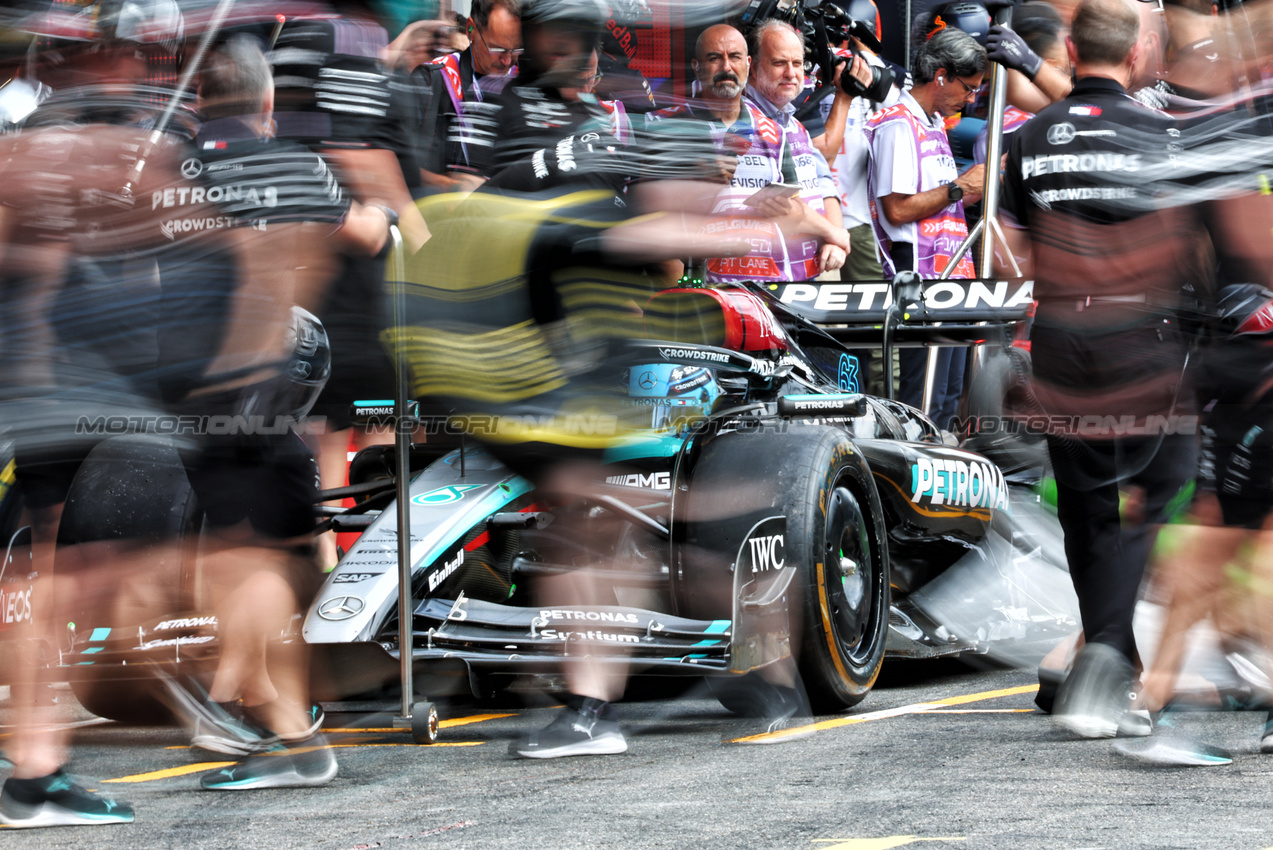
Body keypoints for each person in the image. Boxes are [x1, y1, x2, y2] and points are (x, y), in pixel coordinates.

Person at [150, 35, 391, 788]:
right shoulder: (289, 161)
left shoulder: (165, 170)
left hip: (186, 382)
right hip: (265, 382)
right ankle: (262, 714)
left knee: (243, 551)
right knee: (258, 553)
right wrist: (381, 208)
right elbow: (366, 233)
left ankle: (262, 711)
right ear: (264, 102)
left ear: (197, 101)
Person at [998, 0, 1205, 739]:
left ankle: (1107, 661)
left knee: (1087, 508)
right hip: (1141, 333)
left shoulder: (1026, 137)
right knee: (1164, 486)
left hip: (1058, 333)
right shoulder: (1163, 135)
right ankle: (1109, 659)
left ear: (1069, 49)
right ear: (1138, 51)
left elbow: (1007, 249)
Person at [864, 24, 986, 428]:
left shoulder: (932, 122)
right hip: (920, 281)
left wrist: (977, 187)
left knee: (949, 394)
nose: (971, 99)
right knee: (924, 401)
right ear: (940, 76)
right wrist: (958, 188)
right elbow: (896, 210)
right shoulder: (899, 123)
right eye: (968, 88)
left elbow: (938, 203)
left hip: (950, 276)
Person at [690, 19, 849, 284]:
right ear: (752, 68)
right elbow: (783, 205)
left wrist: (835, 240)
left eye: (797, 64)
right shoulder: (736, 117)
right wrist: (834, 233)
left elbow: (823, 184)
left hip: (812, 270)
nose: (791, 73)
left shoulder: (794, 123)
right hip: (755, 281)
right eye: (779, 63)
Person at [411, 0, 523, 192]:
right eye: (497, 49)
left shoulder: (523, 85)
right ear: (471, 30)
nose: (506, 61)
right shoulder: (432, 80)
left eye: (516, 50)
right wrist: (455, 188)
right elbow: (400, 165)